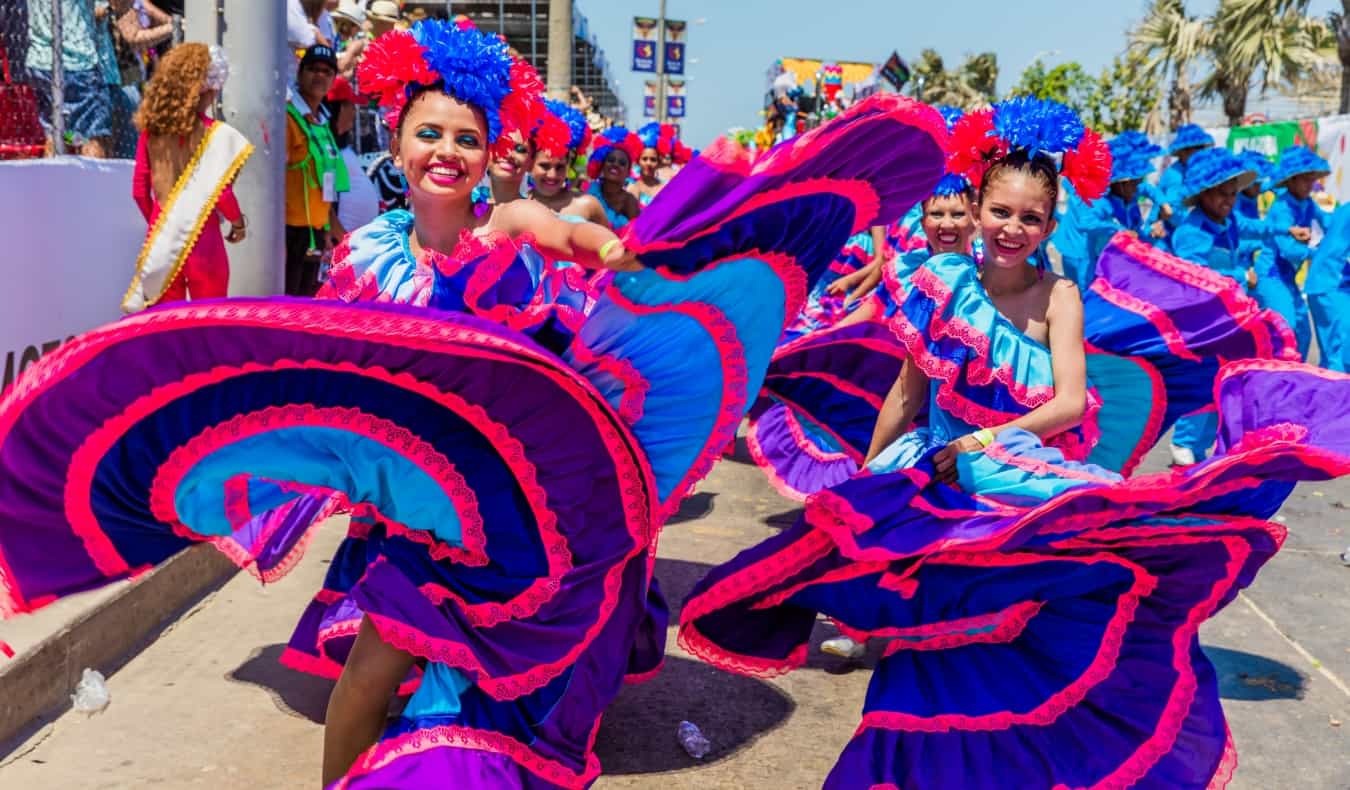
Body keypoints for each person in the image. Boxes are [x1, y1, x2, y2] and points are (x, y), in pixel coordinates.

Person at [0, 22, 951, 788]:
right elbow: (328, 376)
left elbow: (586, 242)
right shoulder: (364, 257)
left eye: (466, 138)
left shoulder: (511, 225)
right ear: (399, 147)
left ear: (486, 152)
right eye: (429, 134)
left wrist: (636, 251)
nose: (447, 151)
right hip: (413, 512)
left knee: (516, 675)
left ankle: (459, 749)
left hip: (521, 518)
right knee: (374, 669)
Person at [678, 98, 1330, 790]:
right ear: (978, 205)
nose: (1011, 229)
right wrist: (864, 483)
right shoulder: (940, 284)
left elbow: (1070, 403)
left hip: (1016, 475)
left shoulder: (1060, 297)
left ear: (1051, 223)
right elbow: (907, 393)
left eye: (1030, 218)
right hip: (934, 479)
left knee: (1043, 629)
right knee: (921, 648)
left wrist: (985, 440)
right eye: (1000, 212)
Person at [124, 44, 251, 312]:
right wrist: (239, 223)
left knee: (167, 329)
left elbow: (139, 191)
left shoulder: (151, 132)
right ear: (208, 87)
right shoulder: (214, 133)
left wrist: (159, 223)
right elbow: (222, 194)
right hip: (205, 244)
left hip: (162, 246)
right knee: (208, 327)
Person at [1167, 147, 1264, 466]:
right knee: (1206, 380)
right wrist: (1240, 275)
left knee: (1228, 380)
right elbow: (1196, 273)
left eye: (1232, 194)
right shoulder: (1191, 231)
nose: (1229, 201)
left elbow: (1239, 246)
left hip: (1228, 317)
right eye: (1221, 194)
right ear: (1203, 194)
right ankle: (1185, 441)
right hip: (1201, 321)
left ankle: (1207, 444)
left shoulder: (1227, 221)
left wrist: (1267, 240)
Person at [285, 44, 348, 296]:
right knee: (285, 307)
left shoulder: (322, 122)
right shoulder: (288, 116)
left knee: (305, 308)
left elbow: (325, 186)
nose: (320, 75)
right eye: (313, 69)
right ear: (300, 73)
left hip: (315, 233)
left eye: (327, 71)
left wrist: (336, 233)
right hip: (288, 234)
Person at [1258, 145, 1327, 359]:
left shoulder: (1307, 203)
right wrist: (1320, 254)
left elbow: (1327, 221)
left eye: (1311, 178)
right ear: (1290, 180)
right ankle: (1277, 381)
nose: (1310, 183)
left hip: (1289, 280)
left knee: (1304, 332)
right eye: (1304, 178)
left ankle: (1296, 376)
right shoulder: (1281, 208)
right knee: (1284, 331)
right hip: (1271, 277)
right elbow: (1288, 250)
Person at [25, 0, 113, 157]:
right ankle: (94, 181)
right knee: (92, 136)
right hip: (77, 60)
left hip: (40, 60)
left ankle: (54, 179)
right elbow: (100, 11)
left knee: (56, 132)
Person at [529, 98, 608, 225]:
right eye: (544, 166)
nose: (552, 175)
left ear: (569, 165)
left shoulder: (588, 205)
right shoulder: (517, 204)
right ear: (530, 163)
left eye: (560, 167)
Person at [325, 76, 380, 234]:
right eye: (351, 105)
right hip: (340, 246)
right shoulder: (327, 148)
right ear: (341, 108)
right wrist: (341, 239)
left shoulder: (340, 146)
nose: (354, 111)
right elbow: (326, 203)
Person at [1307, 204, 1350, 371]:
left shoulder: (1345, 208)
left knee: (1337, 353)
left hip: (1331, 285)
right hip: (1329, 285)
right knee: (1338, 355)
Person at [1158, 123, 1215, 237]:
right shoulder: (1175, 176)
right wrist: (1200, 225)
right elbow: (1171, 212)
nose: (1201, 152)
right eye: (1196, 148)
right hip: (1170, 235)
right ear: (1182, 152)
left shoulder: (1195, 171)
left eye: (1201, 147)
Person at [586, 126, 643, 228]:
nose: (615, 164)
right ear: (602, 166)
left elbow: (636, 234)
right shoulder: (589, 191)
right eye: (611, 160)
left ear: (628, 172)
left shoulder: (629, 201)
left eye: (622, 163)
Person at [629, 122, 668, 206]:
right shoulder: (632, 188)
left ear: (658, 162)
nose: (648, 163)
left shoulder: (665, 189)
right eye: (644, 159)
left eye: (653, 160)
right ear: (638, 161)